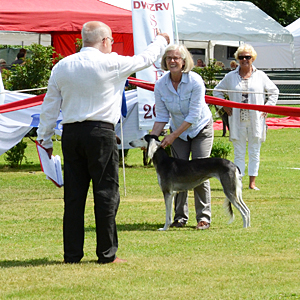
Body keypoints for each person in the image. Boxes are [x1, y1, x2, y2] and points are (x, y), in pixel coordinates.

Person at [37, 21, 170, 264]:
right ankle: (106, 254)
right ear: (105, 41)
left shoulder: (62, 66)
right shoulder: (112, 62)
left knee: (74, 197)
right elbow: (145, 58)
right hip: (100, 133)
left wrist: (44, 138)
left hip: (71, 134)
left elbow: (49, 107)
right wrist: (161, 40)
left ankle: (72, 254)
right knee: (106, 193)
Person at [151, 44, 213, 230]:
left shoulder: (195, 80)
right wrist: (151, 139)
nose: (172, 61)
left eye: (176, 58)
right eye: (169, 58)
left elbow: (193, 116)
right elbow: (161, 116)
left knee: (200, 169)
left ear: (184, 61)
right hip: (178, 130)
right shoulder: (161, 85)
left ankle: (203, 218)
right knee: (176, 171)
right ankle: (179, 217)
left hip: (200, 127)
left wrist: (172, 136)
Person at [213, 44, 279, 190]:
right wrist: (224, 106)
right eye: (241, 57)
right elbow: (216, 92)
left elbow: (274, 91)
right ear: (237, 58)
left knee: (255, 151)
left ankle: (252, 182)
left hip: (256, 120)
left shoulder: (260, 75)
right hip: (237, 120)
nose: (244, 60)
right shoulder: (230, 76)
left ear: (252, 58)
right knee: (239, 152)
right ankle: (238, 181)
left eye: (247, 57)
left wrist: (267, 106)